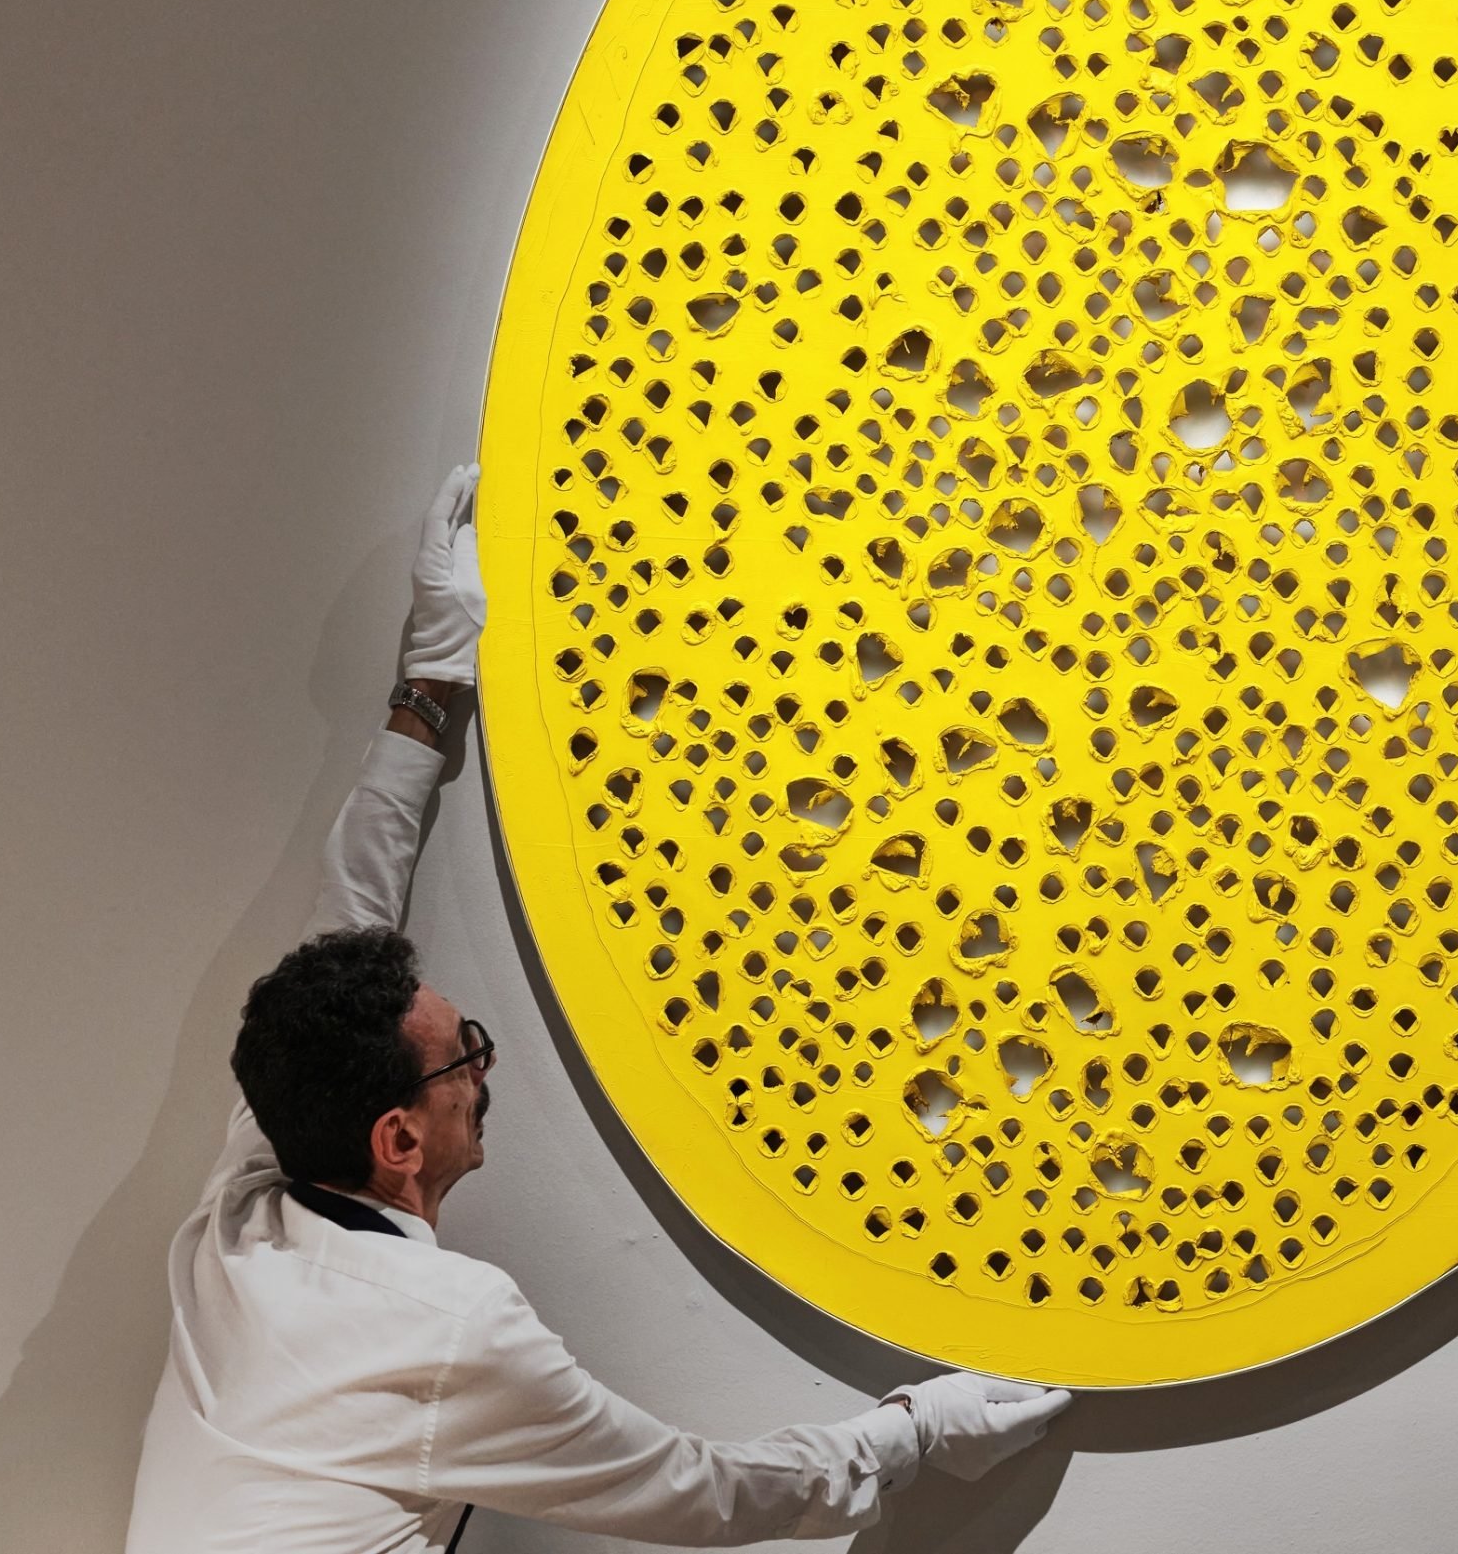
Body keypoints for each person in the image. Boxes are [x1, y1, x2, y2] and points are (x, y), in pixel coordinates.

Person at [124, 466, 1069, 1552]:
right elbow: (697, 1492)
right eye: (460, 1058)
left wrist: (426, 694)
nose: (483, 1071)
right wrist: (908, 1432)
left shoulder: (239, 1219)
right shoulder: (448, 1330)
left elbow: (348, 916)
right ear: (396, 1137)